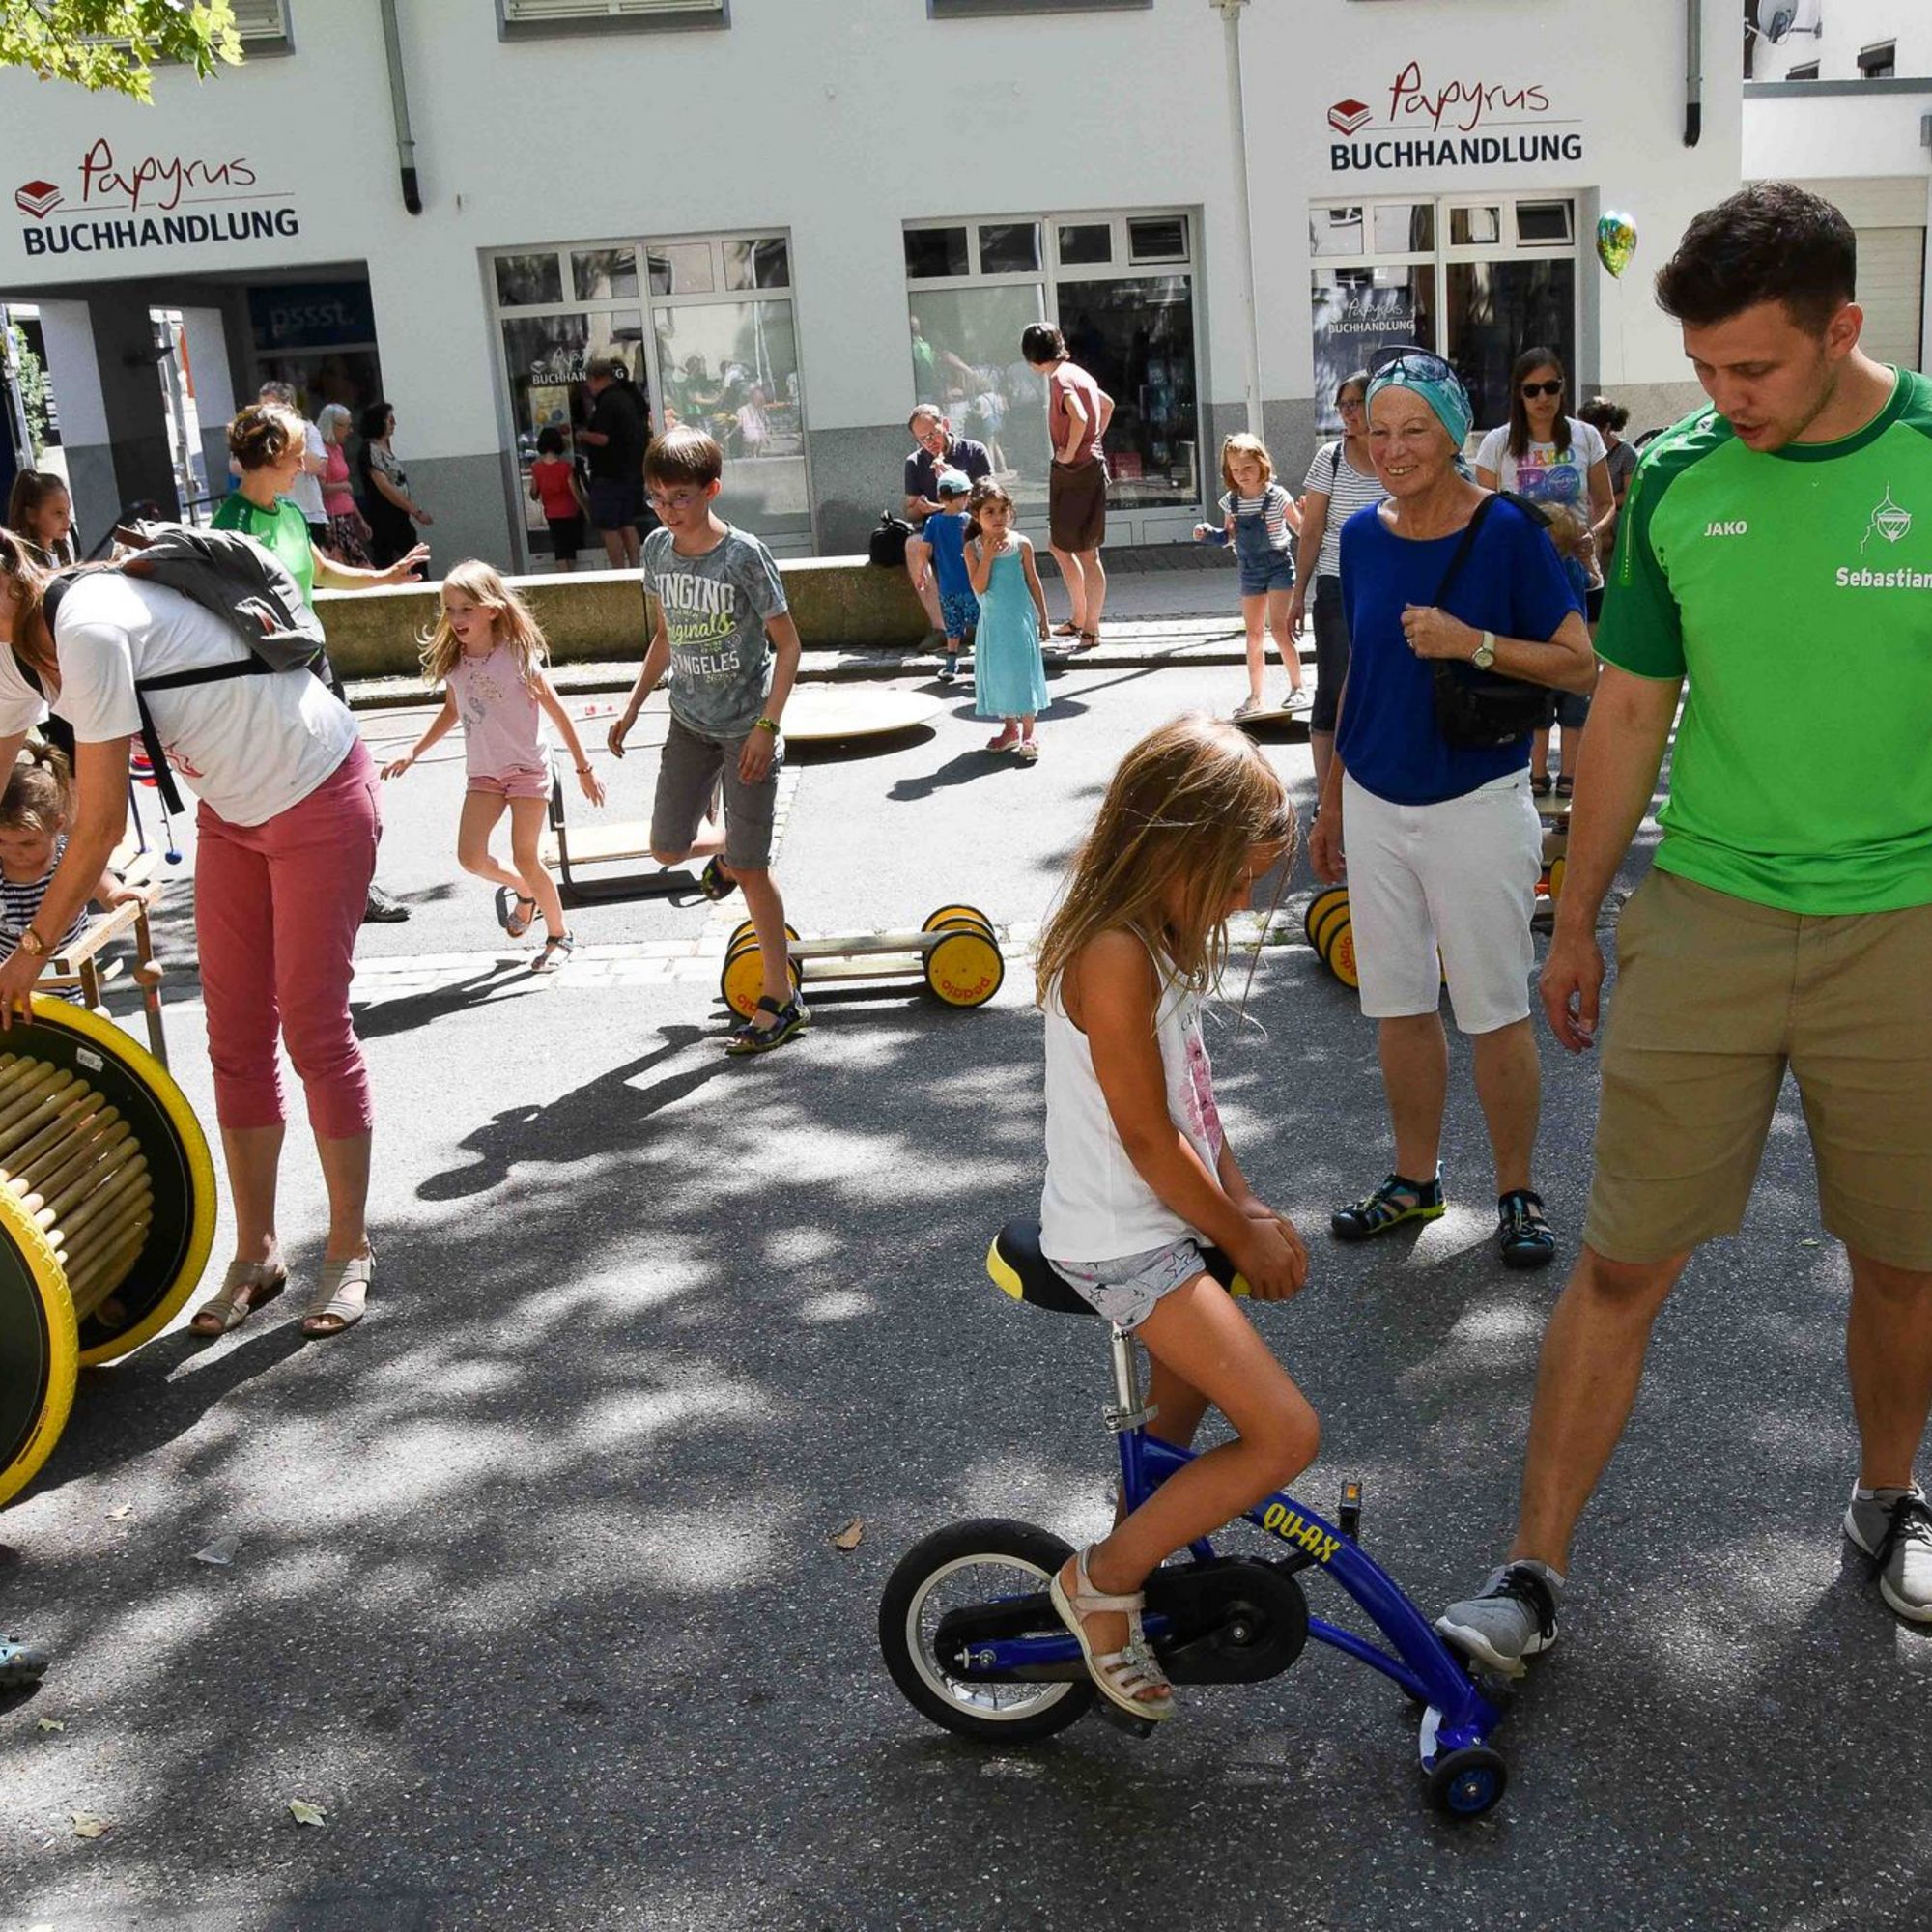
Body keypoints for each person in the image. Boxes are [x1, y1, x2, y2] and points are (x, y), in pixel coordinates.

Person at [1437, 182, 1932, 1670]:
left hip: (1904, 926)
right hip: (1708, 913)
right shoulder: (1678, 478)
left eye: (1752, 370)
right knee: (1621, 1261)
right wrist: (1575, 916)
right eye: (1704, 371)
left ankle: (1889, 1499)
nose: (1724, 399)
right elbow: (1632, 701)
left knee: (1904, 1263)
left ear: (1844, 326)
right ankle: (1529, 1573)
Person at [0, 527, 383, 1341]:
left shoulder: (87, 626)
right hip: (235, 814)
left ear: (5, 587)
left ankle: (348, 1248)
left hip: (317, 788)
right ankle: (258, 1253)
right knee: (236, 1039)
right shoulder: (17, 650)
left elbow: (98, 825)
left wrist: (27, 953)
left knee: (314, 1028)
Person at [1037, 713, 1316, 1722]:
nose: (1243, 904)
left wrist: (1239, 1202)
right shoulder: (1112, 953)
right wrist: (1234, 1231)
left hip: (1165, 1221)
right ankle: (1100, 1579)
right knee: (1284, 1435)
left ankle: (1130, 1560)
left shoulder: (1154, 936)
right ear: (1172, 848)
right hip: (1121, 1237)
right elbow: (1150, 1140)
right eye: (1235, 880)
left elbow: (1196, 1107)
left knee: (1181, 1417)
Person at [1307, 350, 1593, 1269]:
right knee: (1397, 1007)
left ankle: (1517, 1191)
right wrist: (1332, 797)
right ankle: (1414, 1180)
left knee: (1494, 1010)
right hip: (1377, 800)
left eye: (1413, 429)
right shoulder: (1363, 537)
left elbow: (1578, 664)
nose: (1391, 449)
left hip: (1476, 800)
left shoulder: (1507, 531)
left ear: (1454, 431)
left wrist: (1473, 645)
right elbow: (1354, 674)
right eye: (1376, 431)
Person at [606, 427, 808, 1056]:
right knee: (666, 850)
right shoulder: (659, 552)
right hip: (689, 724)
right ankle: (726, 852)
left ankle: (782, 1002)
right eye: (658, 498)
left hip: (746, 730)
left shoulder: (743, 556)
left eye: (681, 497)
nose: (668, 510)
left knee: (753, 870)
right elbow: (665, 637)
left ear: (712, 490)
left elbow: (790, 645)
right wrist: (632, 707)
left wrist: (766, 727)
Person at [213, 400, 427, 926]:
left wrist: (385, 577)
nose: (306, 462)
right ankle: (302, 888)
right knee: (291, 787)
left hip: (314, 660)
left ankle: (357, 885)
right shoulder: (229, 525)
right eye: (296, 453)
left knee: (346, 777)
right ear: (273, 455)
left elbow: (321, 570)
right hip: (270, 674)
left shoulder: (288, 512)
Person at [382, 562, 604, 973]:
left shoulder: (517, 655)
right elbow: (451, 711)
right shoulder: (455, 662)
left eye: (466, 609)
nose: (456, 619)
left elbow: (557, 711)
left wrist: (583, 767)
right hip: (484, 773)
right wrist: (413, 751)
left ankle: (559, 934)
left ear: (492, 609)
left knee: (526, 855)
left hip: (526, 769)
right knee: (470, 857)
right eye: (449, 609)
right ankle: (524, 892)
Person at [1473, 348, 1614, 799]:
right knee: (1529, 674)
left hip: (1575, 571)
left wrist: (1589, 533)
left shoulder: (1585, 435)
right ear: (1518, 393)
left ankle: (1570, 773)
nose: (1543, 398)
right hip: (1523, 575)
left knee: (1578, 674)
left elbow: (1607, 502)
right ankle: (1533, 773)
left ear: (1562, 388)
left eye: (1551, 387)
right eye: (1532, 389)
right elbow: (1479, 511)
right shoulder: (1497, 443)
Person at [1289, 371, 1382, 800]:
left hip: (1389, 586)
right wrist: (1296, 596)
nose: (1346, 413)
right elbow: (1311, 531)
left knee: (1383, 686)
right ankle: (1328, 796)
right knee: (1333, 685)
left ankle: (1371, 785)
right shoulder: (1330, 458)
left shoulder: (1392, 455)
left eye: (1354, 404)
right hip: (1336, 584)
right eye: (1341, 405)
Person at [0, 741, 139, 1002]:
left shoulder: (69, 857)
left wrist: (117, 896)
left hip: (67, 984)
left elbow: (104, 886)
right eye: (2, 842)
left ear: (57, 825)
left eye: (28, 843)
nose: (14, 852)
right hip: (8, 980)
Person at [1193, 434, 1311, 721]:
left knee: (1281, 631)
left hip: (1278, 565)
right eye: (1235, 470)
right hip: (1249, 569)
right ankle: (1256, 696)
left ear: (1262, 465)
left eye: (1247, 468)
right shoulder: (1231, 502)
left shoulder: (1277, 495)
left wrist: (1307, 515)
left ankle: (1298, 687)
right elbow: (1228, 537)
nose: (1241, 475)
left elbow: (1301, 529)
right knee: (1254, 634)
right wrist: (1208, 535)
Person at [1021, 322, 1113, 649]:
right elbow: (1107, 405)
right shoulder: (1078, 373)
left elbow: (1081, 416)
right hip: (1082, 468)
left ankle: (1090, 627)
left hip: (1077, 471)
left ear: (1032, 357)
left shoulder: (1061, 379)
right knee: (1061, 546)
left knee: (1086, 553)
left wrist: (1074, 449)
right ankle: (1080, 619)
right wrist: (1093, 443)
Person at [964, 479, 1049, 762]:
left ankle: (1029, 732)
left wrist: (1044, 618)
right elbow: (979, 587)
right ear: (977, 516)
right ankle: (1010, 729)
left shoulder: (1021, 544)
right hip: (994, 624)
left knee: (1023, 672)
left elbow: (1033, 582)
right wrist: (987, 556)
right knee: (1001, 674)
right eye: (990, 511)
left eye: (1002, 510)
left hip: (1019, 620)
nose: (998, 517)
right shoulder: (972, 548)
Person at [902, 406, 992, 637]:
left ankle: (978, 621)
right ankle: (943, 628)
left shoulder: (973, 451)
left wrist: (957, 481)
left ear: (946, 425)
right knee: (913, 545)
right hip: (936, 529)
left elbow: (990, 502)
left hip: (971, 525)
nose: (930, 442)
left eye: (933, 434)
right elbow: (911, 513)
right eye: (923, 439)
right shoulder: (915, 462)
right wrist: (921, 508)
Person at [903, 469, 977, 682]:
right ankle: (983, 664)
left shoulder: (933, 522)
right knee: (982, 626)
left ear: (941, 497)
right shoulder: (969, 520)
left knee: (952, 629)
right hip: (971, 585)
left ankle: (951, 665)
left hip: (947, 587)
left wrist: (921, 573)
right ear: (963, 497)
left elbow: (924, 549)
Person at [578, 357, 648, 570]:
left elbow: (603, 438)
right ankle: (636, 567)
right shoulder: (626, 396)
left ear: (596, 378)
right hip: (630, 472)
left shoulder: (607, 401)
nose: (588, 387)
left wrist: (581, 434)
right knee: (627, 522)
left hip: (609, 474)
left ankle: (618, 572)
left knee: (609, 526)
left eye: (589, 382)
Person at [355, 400, 433, 571]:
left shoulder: (384, 447)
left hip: (398, 515)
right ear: (378, 422)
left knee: (409, 557)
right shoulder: (370, 450)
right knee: (401, 557)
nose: (394, 424)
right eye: (390, 420)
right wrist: (416, 511)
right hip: (385, 517)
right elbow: (385, 487)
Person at [251, 382, 329, 550]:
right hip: (272, 514)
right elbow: (237, 466)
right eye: (262, 407)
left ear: (288, 406)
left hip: (307, 513)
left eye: (272, 406)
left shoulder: (307, 429)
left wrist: (287, 438)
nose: (267, 413)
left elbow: (319, 466)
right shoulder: (256, 433)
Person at [1578, 394, 1638, 556]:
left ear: (1607, 427)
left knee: (1593, 524)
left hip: (1615, 515)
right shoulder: (1581, 451)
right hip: (1585, 510)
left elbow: (1629, 495)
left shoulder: (1626, 453)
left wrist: (1602, 500)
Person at [314, 403, 373, 567]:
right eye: (347, 426)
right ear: (333, 426)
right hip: (334, 519)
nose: (350, 431)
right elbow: (321, 487)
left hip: (347, 516)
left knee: (356, 566)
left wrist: (359, 519)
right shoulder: (321, 451)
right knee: (361, 566)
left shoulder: (338, 449)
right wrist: (344, 486)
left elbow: (346, 491)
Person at [528, 427, 586, 572]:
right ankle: (571, 575)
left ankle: (564, 578)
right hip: (569, 512)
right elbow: (575, 492)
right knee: (570, 548)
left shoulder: (537, 468)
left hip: (552, 515)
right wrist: (586, 510)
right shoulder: (565, 467)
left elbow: (534, 493)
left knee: (559, 549)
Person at [5, 471, 77, 570]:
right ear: (31, 515)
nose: (67, 521)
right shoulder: (22, 563)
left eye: (67, 512)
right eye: (58, 513)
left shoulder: (59, 552)